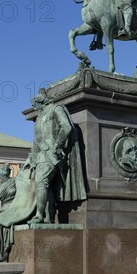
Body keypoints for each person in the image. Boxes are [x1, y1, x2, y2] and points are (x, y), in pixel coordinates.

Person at [25, 92, 87, 224]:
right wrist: (32, 157)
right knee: (45, 185)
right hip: (40, 155)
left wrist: (57, 146)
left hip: (52, 154)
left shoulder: (56, 108)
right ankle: (49, 217)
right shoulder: (40, 116)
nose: (35, 109)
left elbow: (66, 126)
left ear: (40, 102)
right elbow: (36, 139)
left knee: (41, 182)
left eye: (35, 106)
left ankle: (39, 216)